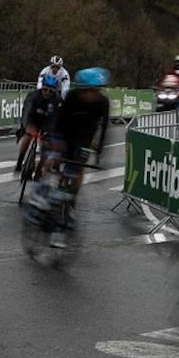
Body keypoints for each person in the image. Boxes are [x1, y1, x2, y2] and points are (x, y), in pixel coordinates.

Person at [32, 68, 111, 242]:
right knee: (53, 163)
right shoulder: (72, 97)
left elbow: (104, 128)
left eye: (97, 91)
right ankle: (41, 194)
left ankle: (70, 202)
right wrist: (55, 142)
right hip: (66, 133)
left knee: (78, 169)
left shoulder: (103, 102)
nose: (93, 95)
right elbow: (58, 121)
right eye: (89, 91)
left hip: (85, 138)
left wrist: (100, 153)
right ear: (82, 89)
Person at [18, 74, 62, 174]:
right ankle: (20, 161)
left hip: (47, 121)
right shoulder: (33, 96)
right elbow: (26, 113)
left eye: (51, 91)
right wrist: (26, 126)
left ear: (54, 91)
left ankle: (39, 170)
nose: (47, 93)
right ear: (41, 87)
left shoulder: (57, 100)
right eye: (45, 90)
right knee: (28, 136)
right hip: (33, 118)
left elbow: (56, 119)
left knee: (46, 145)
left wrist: (47, 133)